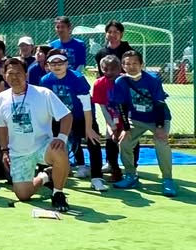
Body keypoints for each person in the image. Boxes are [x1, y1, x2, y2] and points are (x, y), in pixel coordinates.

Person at [0, 57, 73, 212]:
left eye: (18, 73)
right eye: (10, 73)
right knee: (23, 194)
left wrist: (62, 137)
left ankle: (58, 193)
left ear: (26, 74)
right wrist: (4, 150)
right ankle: (45, 176)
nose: (14, 77)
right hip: (19, 152)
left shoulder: (43, 93)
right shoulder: (1, 99)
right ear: (4, 75)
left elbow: (66, 116)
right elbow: (1, 126)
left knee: (59, 149)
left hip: (43, 146)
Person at [111, 50, 176, 196]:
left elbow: (159, 104)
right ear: (123, 66)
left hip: (157, 118)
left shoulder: (153, 79)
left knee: (161, 143)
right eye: (127, 64)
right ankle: (131, 176)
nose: (131, 66)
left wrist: (160, 127)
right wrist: (126, 128)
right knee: (124, 142)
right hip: (136, 119)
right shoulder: (120, 82)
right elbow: (121, 106)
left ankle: (167, 179)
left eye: (135, 63)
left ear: (142, 64)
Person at [40, 49, 99, 186]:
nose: (57, 66)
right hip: (59, 119)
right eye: (53, 63)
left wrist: (88, 128)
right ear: (47, 65)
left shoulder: (78, 78)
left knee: (93, 140)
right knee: (53, 144)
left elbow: (86, 106)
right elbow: (45, 106)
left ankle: (97, 177)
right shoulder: (45, 81)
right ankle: (52, 173)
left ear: (67, 64)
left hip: (81, 117)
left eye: (60, 62)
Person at [91, 55, 127, 183]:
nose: (109, 72)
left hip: (129, 119)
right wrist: (112, 126)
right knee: (110, 140)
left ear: (120, 68)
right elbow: (103, 108)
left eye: (113, 69)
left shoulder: (126, 81)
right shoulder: (99, 84)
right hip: (111, 118)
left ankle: (132, 169)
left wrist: (125, 127)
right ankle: (114, 168)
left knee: (128, 142)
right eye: (105, 69)